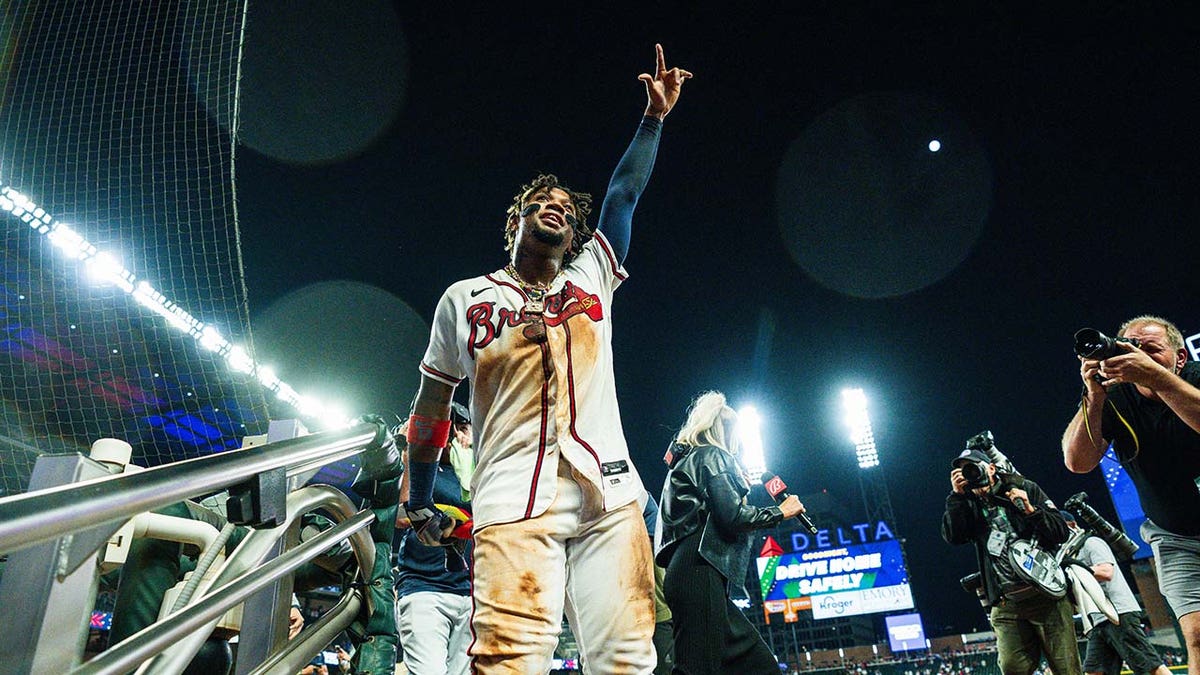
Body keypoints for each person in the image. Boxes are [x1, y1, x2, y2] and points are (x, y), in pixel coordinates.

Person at [401, 44, 692, 673]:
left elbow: (623, 195)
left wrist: (653, 119)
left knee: (627, 659)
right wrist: (419, 494)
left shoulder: (591, 276)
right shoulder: (466, 297)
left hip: (610, 495)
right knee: (510, 662)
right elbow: (430, 411)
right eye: (541, 201)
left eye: (565, 204)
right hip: (510, 497)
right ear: (517, 222)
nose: (556, 205)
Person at [1062, 315, 1200, 674]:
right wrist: (1093, 395)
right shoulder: (1115, 398)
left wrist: (1157, 378)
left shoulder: (1197, 378)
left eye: (1151, 349)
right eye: (1132, 348)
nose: (1140, 357)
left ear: (1180, 357)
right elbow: (1077, 462)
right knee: (1198, 634)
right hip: (1177, 536)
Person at [656, 391, 804, 675]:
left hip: (696, 571)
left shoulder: (689, 460)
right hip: (698, 570)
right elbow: (733, 517)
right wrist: (781, 511)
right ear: (725, 431)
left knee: (760, 666)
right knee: (696, 670)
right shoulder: (713, 455)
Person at [941, 443, 1081, 675]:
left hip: (1046, 597)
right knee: (1011, 668)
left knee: (1066, 670)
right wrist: (956, 497)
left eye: (973, 468)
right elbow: (954, 537)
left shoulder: (1023, 487)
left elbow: (1060, 532)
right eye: (964, 471)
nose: (970, 475)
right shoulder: (966, 504)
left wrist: (1030, 510)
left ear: (992, 468)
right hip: (1007, 603)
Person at [393, 404, 474, 675]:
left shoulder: (476, 470)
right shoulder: (423, 468)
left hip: (473, 593)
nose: (461, 435)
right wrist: (410, 455)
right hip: (424, 587)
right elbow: (402, 516)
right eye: (456, 429)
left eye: (465, 428)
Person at [1062, 513, 1170, 675]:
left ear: (1071, 525)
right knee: (1094, 671)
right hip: (1098, 621)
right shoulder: (1069, 555)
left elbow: (1106, 571)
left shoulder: (1091, 543)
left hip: (1119, 614)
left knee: (1150, 667)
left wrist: (1077, 572)